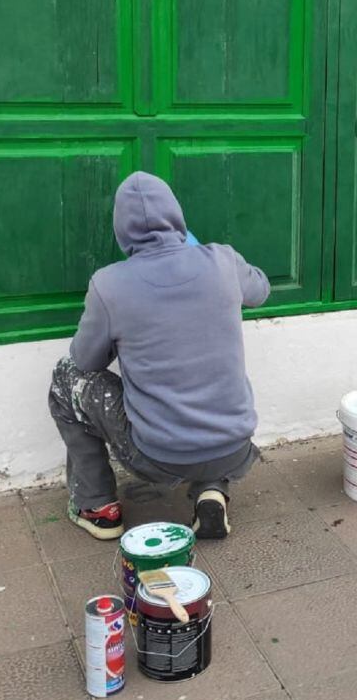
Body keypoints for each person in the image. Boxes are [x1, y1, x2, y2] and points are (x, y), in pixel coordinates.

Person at [47, 171, 269, 541]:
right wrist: (200, 252)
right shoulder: (222, 261)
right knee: (204, 393)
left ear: (122, 229)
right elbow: (259, 289)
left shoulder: (109, 284)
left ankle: (96, 506)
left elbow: (86, 362)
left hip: (158, 457)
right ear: (177, 217)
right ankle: (210, 492)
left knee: (65, 378)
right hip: (234, 446)